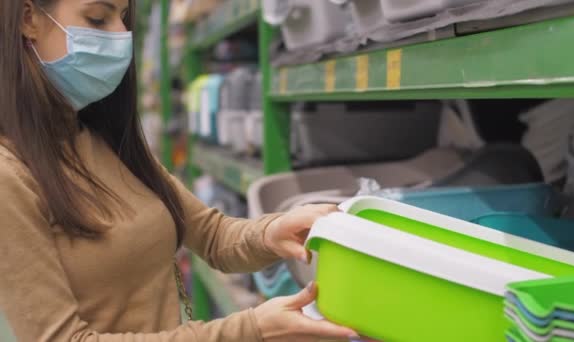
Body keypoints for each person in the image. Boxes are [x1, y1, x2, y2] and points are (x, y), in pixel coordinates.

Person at [0, 1, 360, 341]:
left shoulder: (105, 141)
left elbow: (212, 234)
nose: (118, 37)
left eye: (123, 19)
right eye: (97, 18)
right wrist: (250, 330)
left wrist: (271, 232)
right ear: (28, 19)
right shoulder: (10, 176)